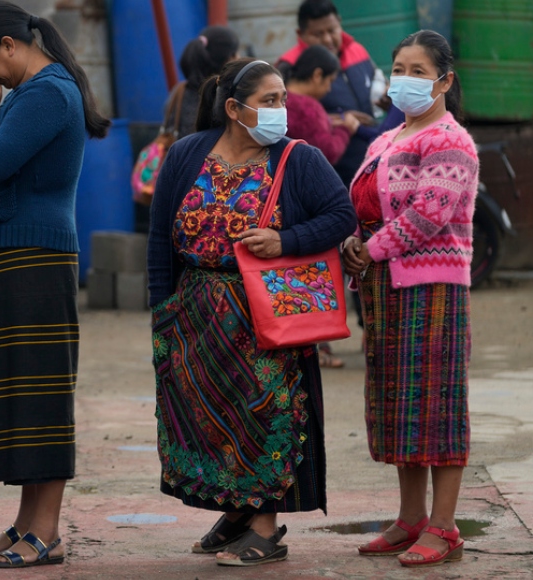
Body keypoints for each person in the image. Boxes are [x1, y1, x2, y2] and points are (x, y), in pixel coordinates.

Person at [147, 58, 356, 566]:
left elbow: (341, 215)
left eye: (282, 99)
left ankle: (264, 528)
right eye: (269, 101)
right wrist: (161, 312)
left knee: (264, 416)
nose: (280, 110)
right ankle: (237, 512)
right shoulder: (186, 155)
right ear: (235, 108)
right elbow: (158, 240)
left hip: (264, 318)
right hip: (194, 317)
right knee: (205, 421)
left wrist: (286, 239)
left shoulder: (297, 159)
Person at [0, 1, 109, 569]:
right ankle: (25, 522)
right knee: (17, 394)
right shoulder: (26, 95)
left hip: (34, 260)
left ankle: (46, 530)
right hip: (9, 255)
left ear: (10, 47)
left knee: (39, 396)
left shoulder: (47, 93)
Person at [341, 30, 477, 568]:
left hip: (433, 288)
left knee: (437, 406)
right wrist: (356, 244)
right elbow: (368, 206)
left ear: (444, 80)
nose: (405, 78)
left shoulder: (450, 140)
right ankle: (410, 518)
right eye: (399, 67)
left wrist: (369, 249)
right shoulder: (386, 139)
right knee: (399, 404)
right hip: (387, 285)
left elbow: (427, 215)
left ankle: (443, 528)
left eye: (418, 70)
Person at [284, 44, 358, 369]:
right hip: (312, 207)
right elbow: (326, 152)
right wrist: (345, 129)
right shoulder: (309, 108)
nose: (329, 89)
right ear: (316, 75)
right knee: (321, 273)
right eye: (328, 82)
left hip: (282, 205)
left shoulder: (279, 100)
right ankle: (319, 343)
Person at [276, 0, 404, 187]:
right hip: (331, 176)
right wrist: (335, 119)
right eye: (318, 34)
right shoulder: (289, 67)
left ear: (340, 23)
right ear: (300, 34)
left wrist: (385, 97)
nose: (327, 39)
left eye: (332, 30)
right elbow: (287, 120)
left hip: (372, 164)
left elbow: (377, 82)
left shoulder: (357, 51)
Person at [174, 26, 240, 139]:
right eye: (237, 54)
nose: (239, 58)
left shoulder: (179, 91)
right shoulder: (227, 98)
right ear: (230, 59)